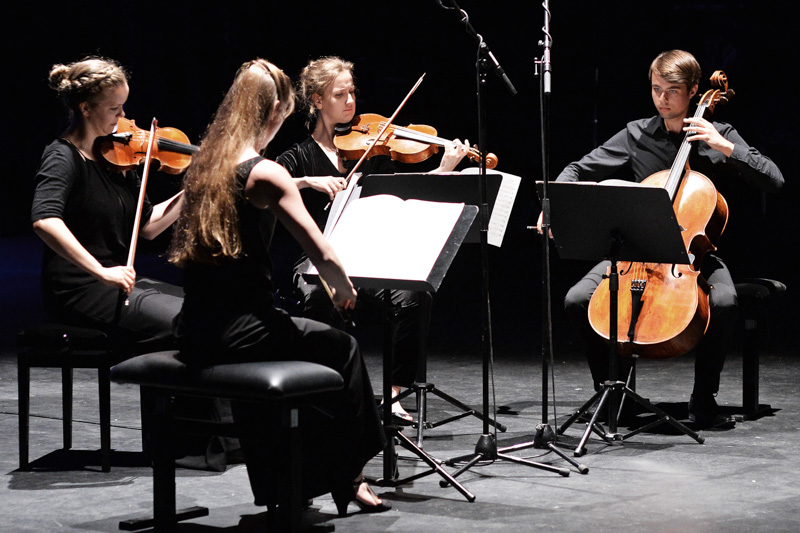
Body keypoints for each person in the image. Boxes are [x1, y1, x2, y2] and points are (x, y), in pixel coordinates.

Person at [169, 58, 390, 515]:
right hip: (243, 328)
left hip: (194, 327)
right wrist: (344, 290)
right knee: (343, 349)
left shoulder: (205, 163)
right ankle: (350, 475)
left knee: (295, 352)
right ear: (273, 114)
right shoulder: (265, 172)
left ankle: (286, 485)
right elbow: (321, 251)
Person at [538, 50, 784, 428]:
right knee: (577, 299)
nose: (662, 99)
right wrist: (553, 205)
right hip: (638, 251)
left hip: (695, 255)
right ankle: (614, 393)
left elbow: (774, 179)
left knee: (725, 301)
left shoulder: (719, 134)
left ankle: (704, 399)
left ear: (694, 91)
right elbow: (577, 168)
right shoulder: (636, 133)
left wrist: (724, 146)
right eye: (656, 89)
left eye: (672, 91)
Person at [276, 56, 469, 423]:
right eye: (339, 95)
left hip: (365, 256)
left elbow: (406, 195)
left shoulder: (374, 150)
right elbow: (264, 183)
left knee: (413, 294)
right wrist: (306, 182)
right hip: (315, 258)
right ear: (317, 100)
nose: (350, 101)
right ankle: (327, 391)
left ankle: (392, 395)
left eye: (352, 92)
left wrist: (443, 169)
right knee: (318, 296)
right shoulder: (297, 157)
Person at [32, 57, 184, 352]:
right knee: (186, 324)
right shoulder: (62, 156)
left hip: (116, 282)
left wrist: (193, 190)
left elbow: (148, 226)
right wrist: (101, 271)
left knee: (205, 311)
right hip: (79, 289)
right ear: (85, 108)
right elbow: (45, 221)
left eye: (123, 106)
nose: (123, 115)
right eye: (115, 108)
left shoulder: (118, 155)